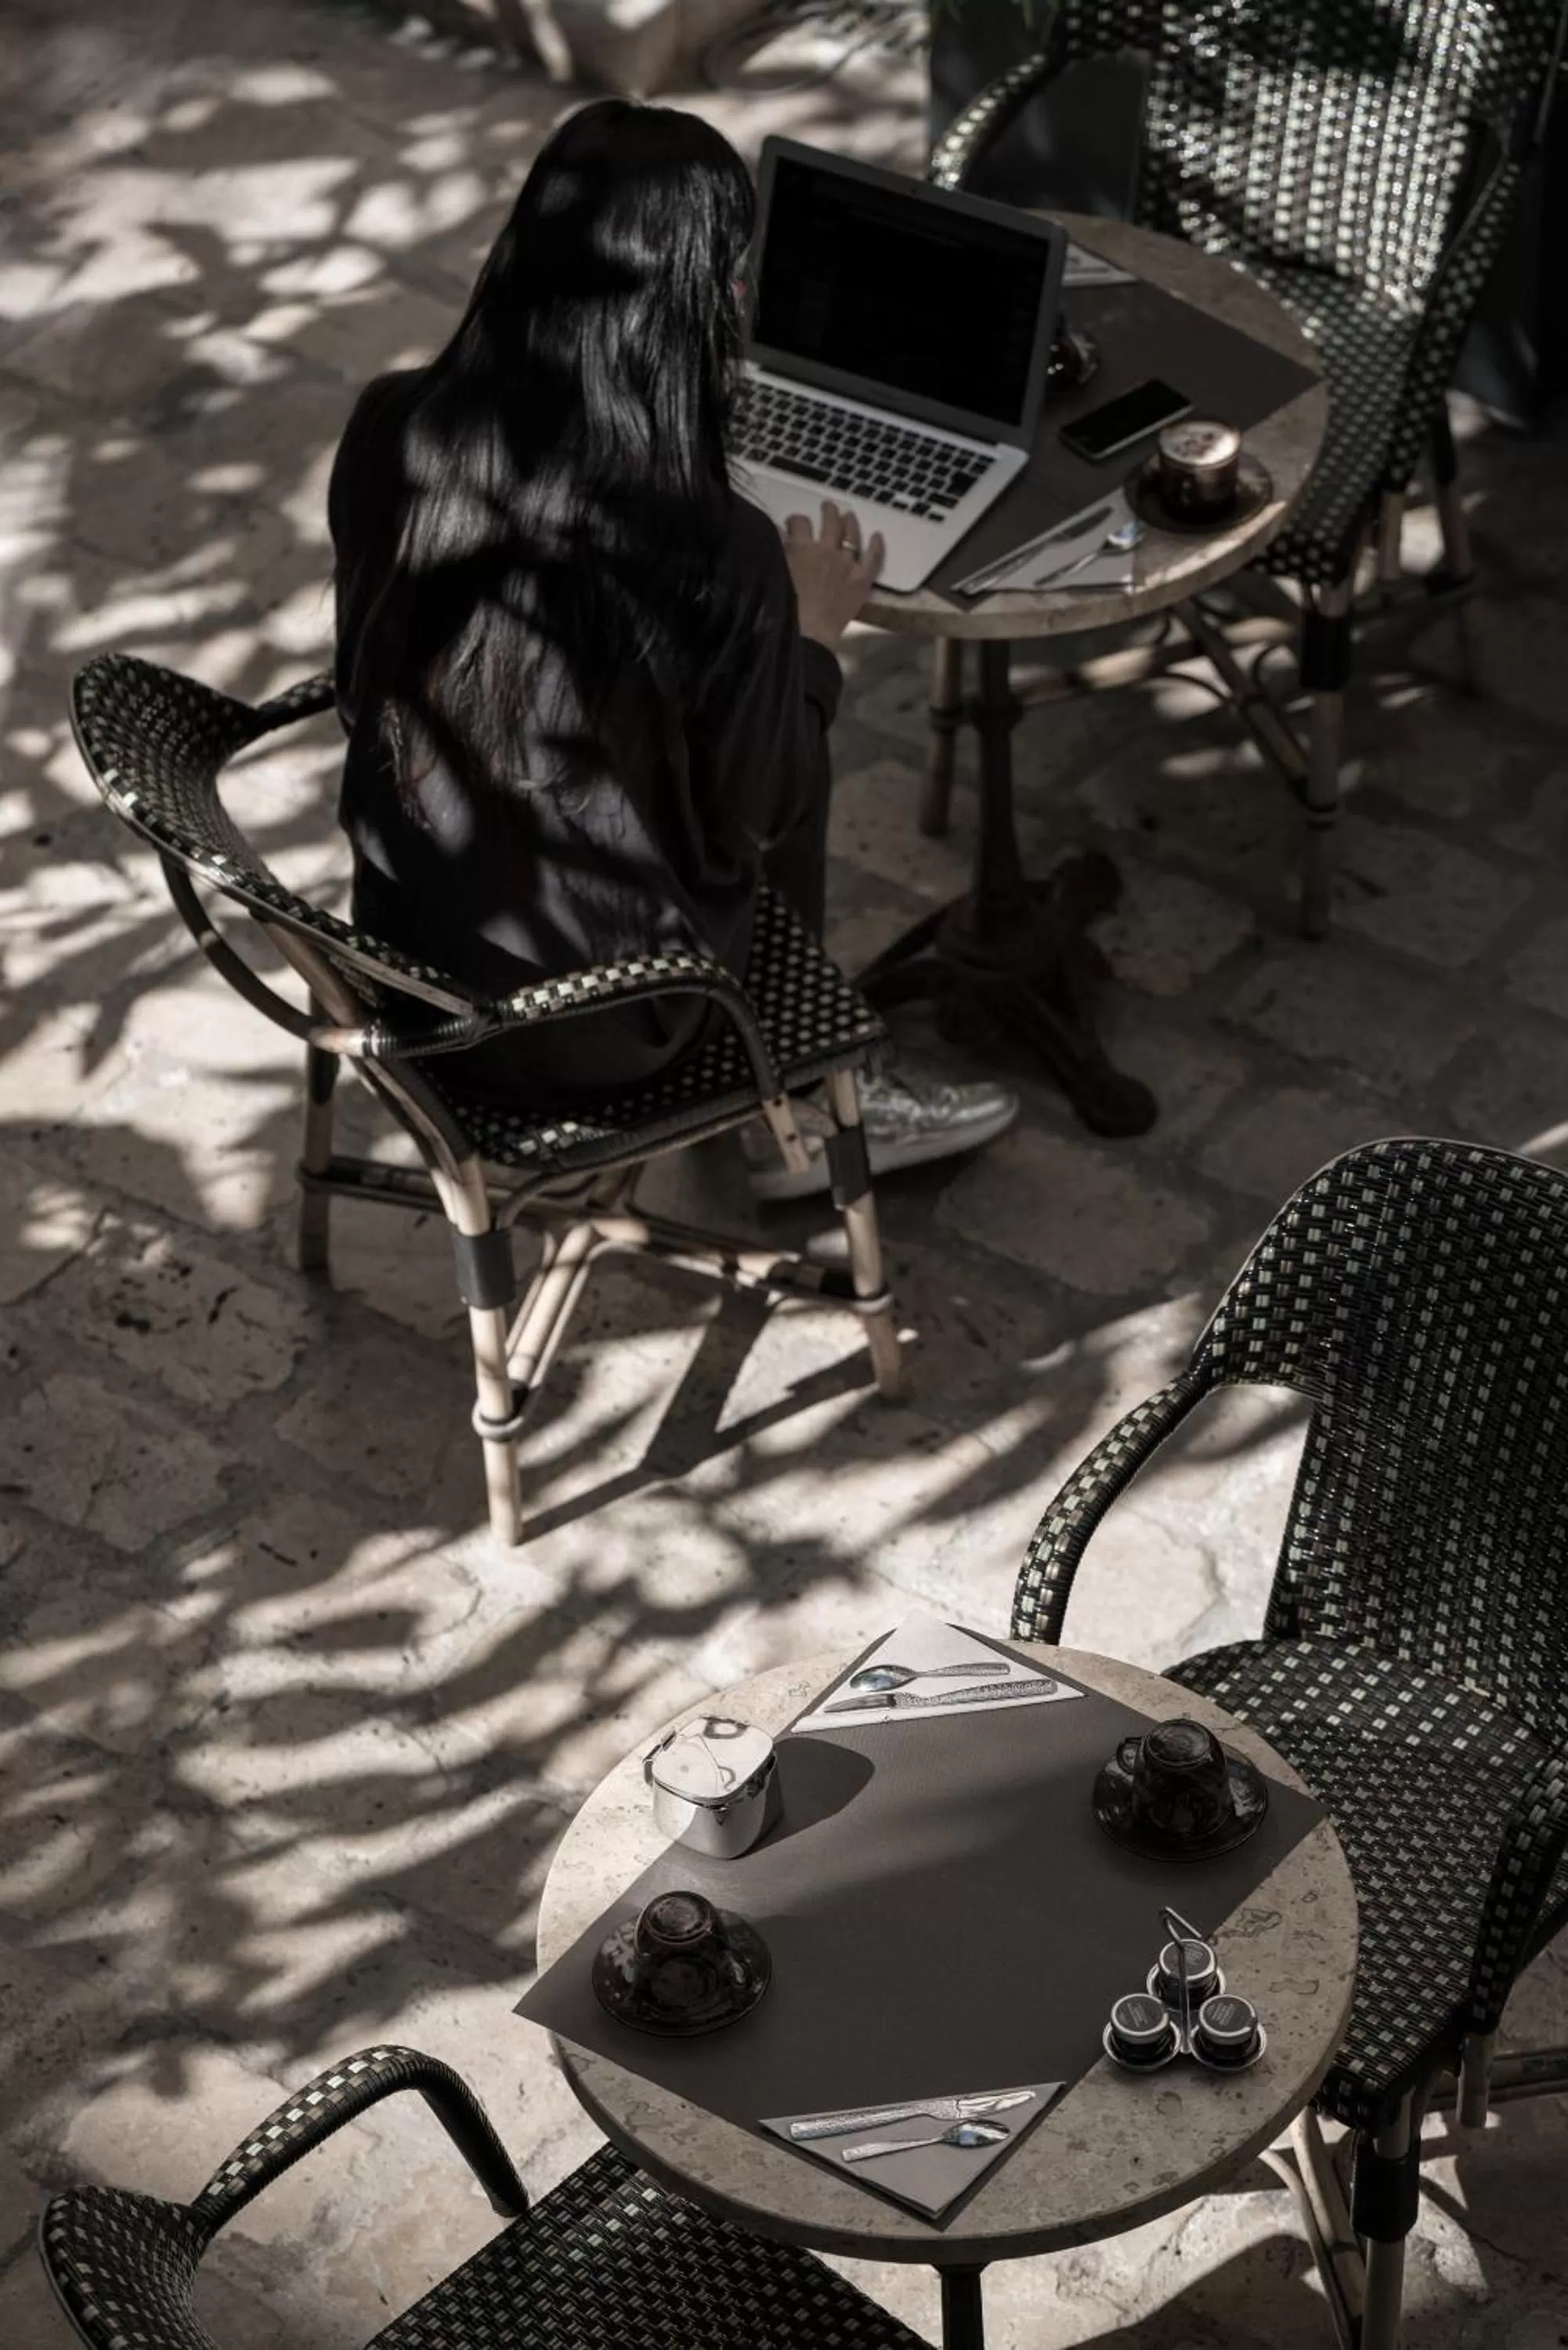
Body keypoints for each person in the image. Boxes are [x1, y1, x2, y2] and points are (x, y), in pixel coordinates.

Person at [327, 96, 1017, 1198]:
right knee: (789, 728)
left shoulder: (391, 428)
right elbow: (760, 813)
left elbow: (359, 690)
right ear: (709, 302)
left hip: (404, 977)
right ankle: (797, 1106)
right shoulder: (715, 549)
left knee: (713, 724)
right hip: (608, 1032)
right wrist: (808, 635)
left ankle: (794, 1099)